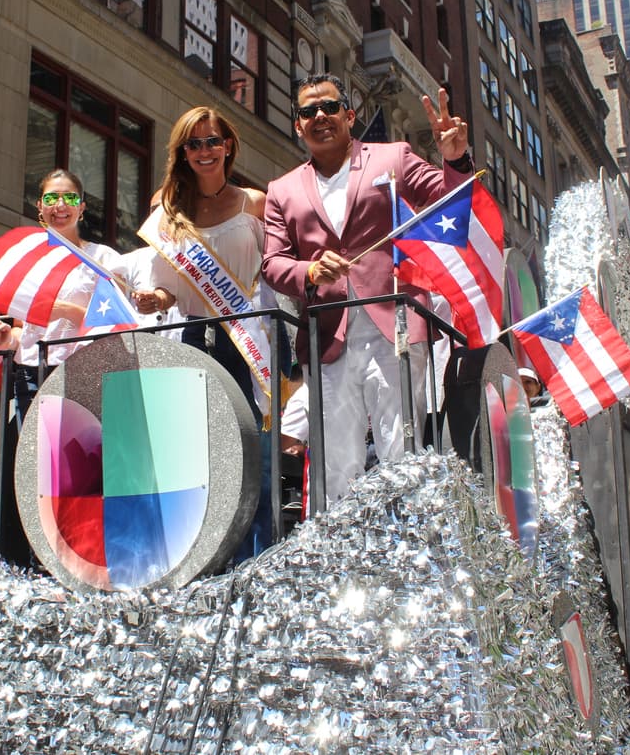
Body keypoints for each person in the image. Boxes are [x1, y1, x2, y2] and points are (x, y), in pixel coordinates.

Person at [261, 74, 472, 505]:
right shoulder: (281, 191)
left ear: (349, 115)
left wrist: (456, 159)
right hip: (329, 337)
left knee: (401, 446)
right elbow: (273, 262)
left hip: (392, 326)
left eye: (329, 107)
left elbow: (452, 202)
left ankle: (411, 546)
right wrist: (309, 270)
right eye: (307, 111)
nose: (319, 116)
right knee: (337, 460)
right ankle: (341, 559)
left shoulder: (393, 156)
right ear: (298, 126)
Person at [134, 106, 279, 556]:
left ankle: (257, 561)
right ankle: (202, 561)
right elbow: (168, 284)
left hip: (245, 339)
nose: (204, 151)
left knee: (250, 451)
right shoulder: (169, 206)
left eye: (212, 141)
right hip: (195, 338)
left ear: (228, 145)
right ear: (182, 152)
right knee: (198, 455)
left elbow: (274, 271)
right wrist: (156, 298)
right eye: (193, 144)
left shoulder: (254, 203)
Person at [0, 169, 127, 420]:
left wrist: (66, 311)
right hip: (31, 372)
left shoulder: (103, 259)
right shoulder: (25, 260)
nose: (60, 205)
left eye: (69, 198)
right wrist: (5, 335)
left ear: (81, 208)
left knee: (79, 454)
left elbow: (118, 324)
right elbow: (20, 328)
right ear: (40, 206)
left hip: (83, 371)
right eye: (51, 199)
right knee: (36, 454)